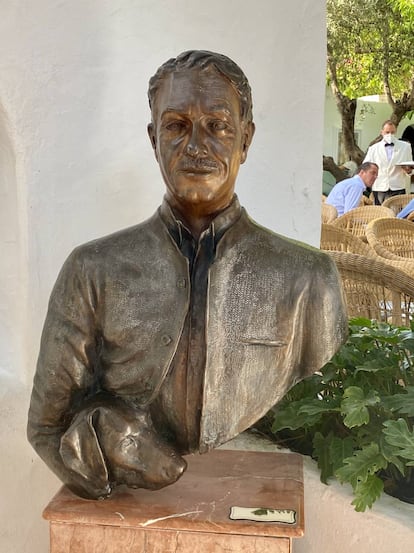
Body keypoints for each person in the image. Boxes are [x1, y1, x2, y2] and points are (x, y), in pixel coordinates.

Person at [27, 50, 348, 500]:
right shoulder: (92, 270)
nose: (197, 146)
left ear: (246, 139)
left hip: (254, 489)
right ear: (153, 137)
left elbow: (325, 410)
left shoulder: (309, 280)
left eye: (217, 126)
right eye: (177, 126)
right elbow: (47, 427)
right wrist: (100, 450)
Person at [363, 120, 413, 205]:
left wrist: (408, 170)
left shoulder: (405, 147)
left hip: (398, 186)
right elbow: (366, 166)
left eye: (392, 132)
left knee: (396, 214)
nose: (390, 135)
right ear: (382, 132)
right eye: (387, 132)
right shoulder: (374, 148)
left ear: (396, 132)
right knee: (380, 213)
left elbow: (410, 166)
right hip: (380, 186)